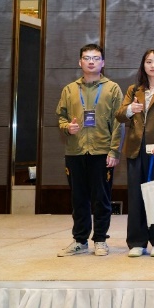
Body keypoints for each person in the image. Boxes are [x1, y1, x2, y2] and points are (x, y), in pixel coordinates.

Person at [56, 44, 123, 257]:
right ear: (80, 62)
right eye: (87, 58)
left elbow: (119, 122)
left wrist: (114, 151)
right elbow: (61, 117)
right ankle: (80, 240)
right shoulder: (69, 90)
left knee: (101, 199)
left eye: (95, 58)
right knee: (78, 199)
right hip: (75, 152)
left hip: (101, 152)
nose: (91, 61)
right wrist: (68, 127)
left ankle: (100, 240)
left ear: (103, 62)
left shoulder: (112, 89)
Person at [115, 49, 154, 258]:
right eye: (149, 62)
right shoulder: (134, 90)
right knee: (136, 196)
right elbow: (119, 115)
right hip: (136, 148)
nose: (153, 66)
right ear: (143, 65)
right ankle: (137, 241)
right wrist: (130, 110)